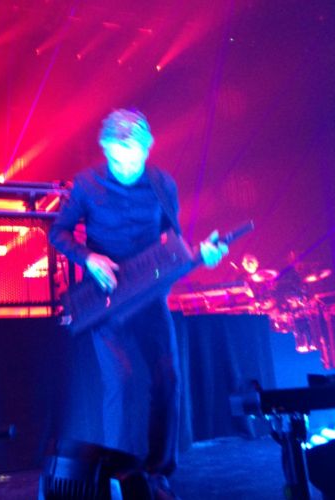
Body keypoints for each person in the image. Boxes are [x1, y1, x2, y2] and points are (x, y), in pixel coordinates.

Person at [49, 109, 228, 499]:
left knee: (169, 379)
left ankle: (159, 472)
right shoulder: (87, 183)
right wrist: (88, 258)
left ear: (147, 149)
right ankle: (120, 479)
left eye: (131, 159)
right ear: (105, 150)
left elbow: (173, 243)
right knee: (122, 382)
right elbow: (58, 232)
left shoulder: (163, 185)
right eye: (115, 160)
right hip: (106, 299)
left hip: (149, 298)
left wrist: (202, 255)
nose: (124, 168)